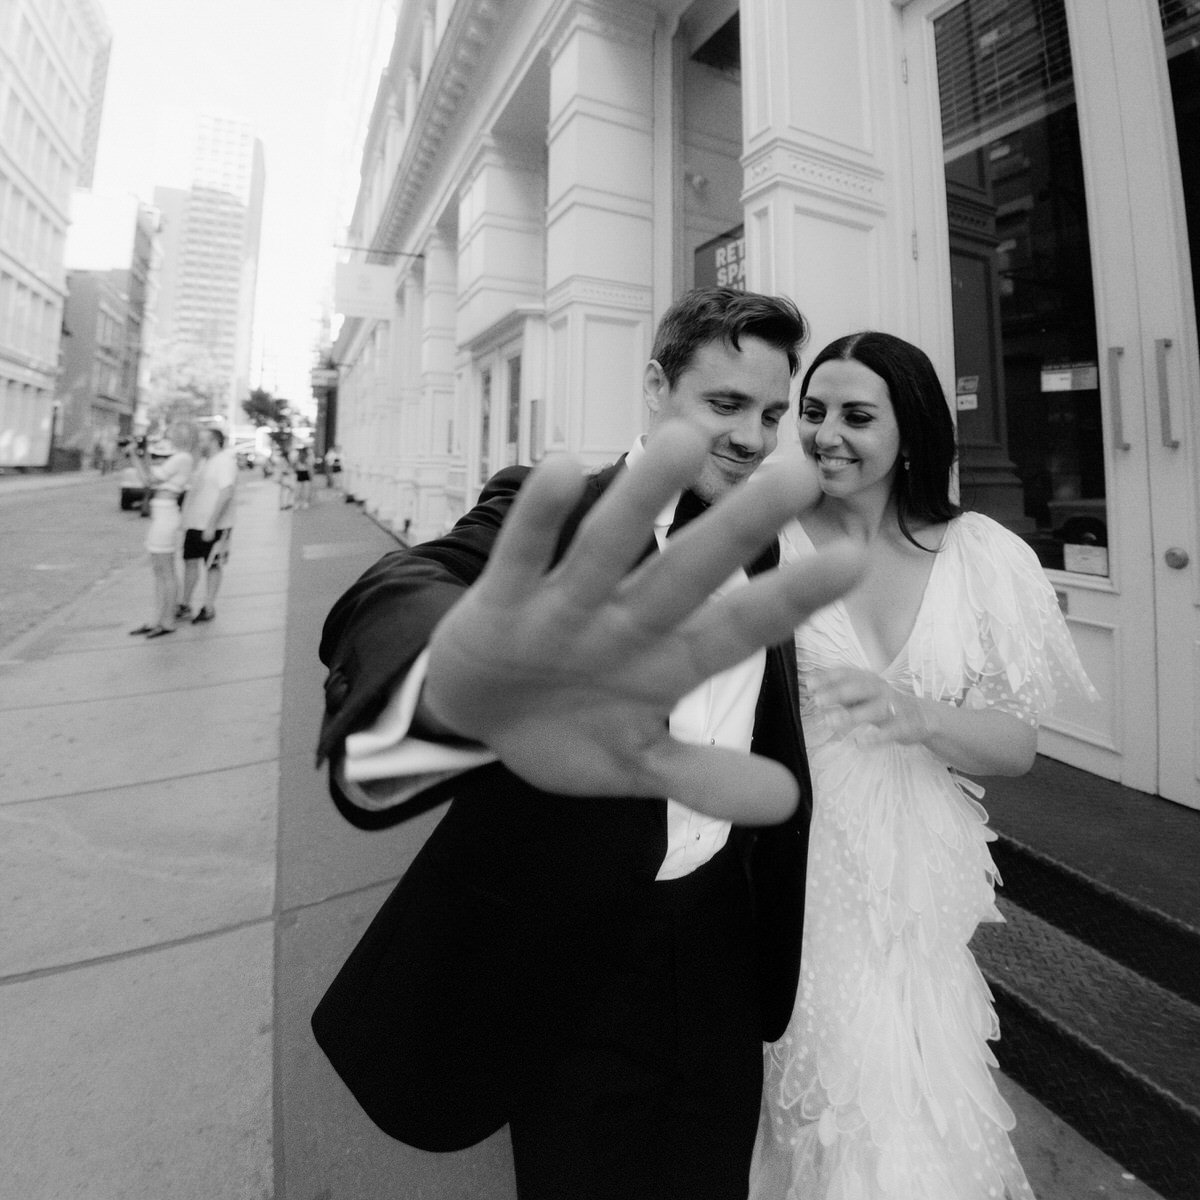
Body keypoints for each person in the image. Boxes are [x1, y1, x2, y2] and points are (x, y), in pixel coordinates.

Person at [310, 287, 866, 1200]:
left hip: (724, 940)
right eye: (724, 404)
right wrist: (445, 693)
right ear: (656, 384)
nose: (754, 436)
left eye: (772, 413)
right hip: (574, 952)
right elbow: (402, 585)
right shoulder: (552, 513)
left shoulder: (757, 547)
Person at [750, 332, 1098, 1200]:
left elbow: (1015, 745)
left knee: (912, 1082)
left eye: (857, 416)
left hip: (916, 872)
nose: (827, 433)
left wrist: (921, 714)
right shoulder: (769, 541)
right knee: (830, 1078)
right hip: (798, 857)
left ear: (913, 431)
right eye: (814, 412)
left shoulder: (977, 555)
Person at [127, 421, 197, 638]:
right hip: (163, 516)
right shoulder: (181, 458)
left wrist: (134, 456)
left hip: (165, 517)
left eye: (171, 434)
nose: (168, 438)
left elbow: (150, 479)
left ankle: (167, 621)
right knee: (160, 571)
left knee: (165, 571)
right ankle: (157, 618)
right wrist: (142, 456)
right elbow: (151, 476)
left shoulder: (182, 458)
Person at [179, 426, 237, 624]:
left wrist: (212, 525)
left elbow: (226, 492)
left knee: (212, 565)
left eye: (203, 440)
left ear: (214, 441)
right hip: (195, 524)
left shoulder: (224, 462)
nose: (199, 444)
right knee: (190, 562)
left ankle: (209, 606)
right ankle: (185, 604)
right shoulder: (205, 462)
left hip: (216, 526)